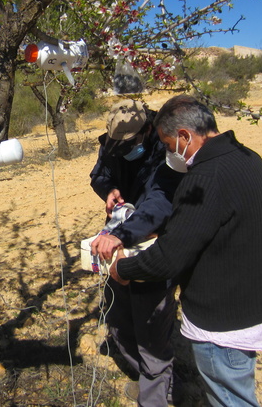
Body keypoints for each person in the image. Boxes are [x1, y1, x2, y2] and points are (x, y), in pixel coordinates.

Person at [110, 95, 262, 407]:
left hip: (224, 320)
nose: (168, 153)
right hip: (250, 305)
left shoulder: (205, 177)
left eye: (167, 145)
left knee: (230, 399)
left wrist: (123, 269)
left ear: (184, 136)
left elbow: (169, 257)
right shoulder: (247, 158)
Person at [89, 99, 184, 407]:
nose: (123, 148)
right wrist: (110, 191)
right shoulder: (113, 141)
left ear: (147, 129)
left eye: (130, 143)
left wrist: (121, 235)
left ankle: (159, 390)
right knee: (117, 316)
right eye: (118, 144)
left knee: (152, 321)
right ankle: (147, 376)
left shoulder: (165, 149)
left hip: (150, 240)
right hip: (118, 239)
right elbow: (99, 175)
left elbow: (160, 201)